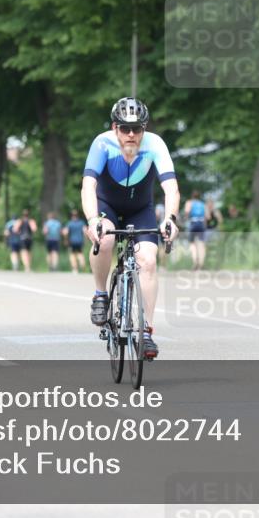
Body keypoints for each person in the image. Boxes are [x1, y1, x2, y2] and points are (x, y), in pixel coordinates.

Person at [83, 97, 179, 360]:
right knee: (104, 241)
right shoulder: (101, 143)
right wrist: (93, 220)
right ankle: (101, 295)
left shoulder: (155, 144)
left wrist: (170, 218)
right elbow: (88, 186)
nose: (131, 134)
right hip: (107, 208)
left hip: (141, 210)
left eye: (137, 129)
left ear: (144, 129)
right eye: (125, 128)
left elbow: (170, 187)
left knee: (148, 261)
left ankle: (146, 332)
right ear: (115, 127)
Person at [185, 190, 207, 270]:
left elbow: (187, 212)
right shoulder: (202, 204)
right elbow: (207, 216)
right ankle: (201, 262)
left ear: (192, 196)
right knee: (201, 244)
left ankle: (195, 261)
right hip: (201, 224)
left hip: (193, 223)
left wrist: (186, 218)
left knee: (192, 243)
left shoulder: (189, 203)